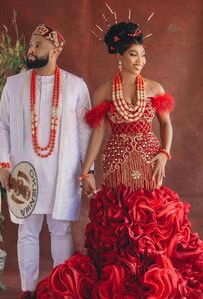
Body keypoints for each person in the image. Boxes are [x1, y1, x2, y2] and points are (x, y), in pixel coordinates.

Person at [36, 14, 203, 299]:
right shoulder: (103, 93)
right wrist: (85, 171)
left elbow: (166, 124)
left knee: (152, 221)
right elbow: (98, 134)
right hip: (116, 162)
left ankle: (151, 280)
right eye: (133, 55)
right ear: (120, 57)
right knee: (120, 221)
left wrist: (164, 153)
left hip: (149, 160)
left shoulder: (154, 88)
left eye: (143, 55)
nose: (140, 60)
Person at [0, 24, 92, 299]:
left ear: (55, 50)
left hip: (63, 173)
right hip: (24, 174)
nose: (31, 49)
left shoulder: (75, 86)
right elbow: (2, 126)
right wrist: (3, 162)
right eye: (31, 44)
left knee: (60, 230)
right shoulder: (14, 85)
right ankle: (28, 290)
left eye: (38, 45)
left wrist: (88, 170)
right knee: (27, 230)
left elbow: (86, 131)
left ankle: (61, 289)